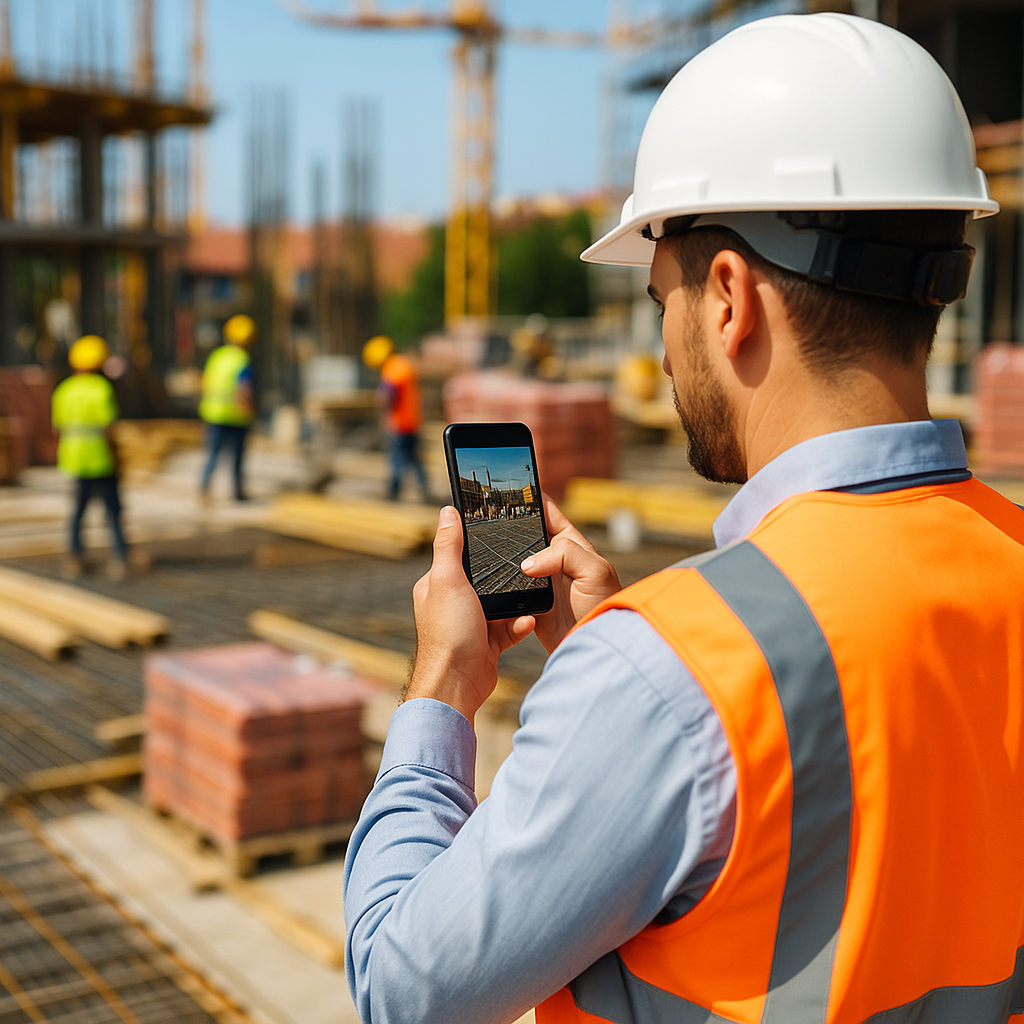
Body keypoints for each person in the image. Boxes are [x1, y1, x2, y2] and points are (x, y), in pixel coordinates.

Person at [343, 14, 1024, 1024]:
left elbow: (405, 986)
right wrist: (635, 654)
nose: (661, 348)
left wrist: (447, 682)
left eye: (659, 299)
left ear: (727, 298)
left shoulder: (665, 677)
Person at [51, 335, 128, 580]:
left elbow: (57, 427)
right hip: (100, 459)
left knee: (78, 510)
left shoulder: (64, 389)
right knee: (113, 510)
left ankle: (74, 557)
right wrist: (118, 457)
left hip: (74, 459)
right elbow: (109, 428)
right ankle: (120, 558)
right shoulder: (101, 389)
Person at [363, 334, 429, 503]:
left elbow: (387, 396)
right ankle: (424, 489)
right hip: (413, 422)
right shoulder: (404, 363)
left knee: (397, 460)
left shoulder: (392, 369)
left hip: (399, 424)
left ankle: (393, 493)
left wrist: (382, 413)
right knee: (414, 458)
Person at [199, 313, 255, 501]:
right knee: (236, 458)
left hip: (214, 414)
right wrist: (249, 410)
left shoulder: (217, 356)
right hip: (236, 416)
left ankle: (204, 489)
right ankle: (238, 492)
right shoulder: (241, 360)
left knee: (212, 455)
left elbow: (205, 382)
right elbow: (244, 389)